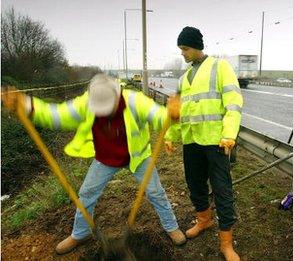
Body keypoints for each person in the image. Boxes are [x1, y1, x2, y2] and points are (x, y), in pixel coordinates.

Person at [2, 74, 186, 255]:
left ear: (117, 95)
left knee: (155, 192)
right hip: (105, 158)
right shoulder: (87, 102)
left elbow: (158, 115)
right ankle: (80, 234)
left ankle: (171, 227)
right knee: (87, 193)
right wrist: (27, 106)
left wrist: (172, 114)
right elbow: (58, 115)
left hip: (137, 157)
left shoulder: (134, 101)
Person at [164, 26, 243, 261]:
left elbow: (233, 102)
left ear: (197, 47)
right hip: (192, 142)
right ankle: (204, 220)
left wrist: (229, 133)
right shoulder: (183, 79)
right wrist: (171, 135)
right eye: (180, 49)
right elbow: (178, 114)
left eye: (185, 49)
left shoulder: (220, 67)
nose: (183, 53)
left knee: (222, 189)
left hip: (217, 141)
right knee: (195, 184)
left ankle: (226, 243)